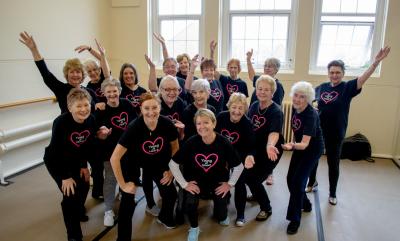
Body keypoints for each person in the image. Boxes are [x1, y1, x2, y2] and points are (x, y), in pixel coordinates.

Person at [306, 46, 391, 205]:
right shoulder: (321, 88)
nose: (334, 75)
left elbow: (363, 78)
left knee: (333, 162)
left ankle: (332, 193)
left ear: (343, 73)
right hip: (318, 131)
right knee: (313, 159)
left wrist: (375, 63)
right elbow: (311, 102)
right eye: (332, 72)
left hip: (336, 132)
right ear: (328, 73)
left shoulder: (347, 87)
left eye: (338, 72)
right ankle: (312, 182)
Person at [110, 92, 179, 241]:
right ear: (141, 109)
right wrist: (123, 185)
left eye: (154, 107)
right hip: (132, 162)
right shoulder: (133, 127)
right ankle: (123, 238)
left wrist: (171, 170)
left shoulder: (167, 124)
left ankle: (164, 217)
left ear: (160, 108)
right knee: (128, 201)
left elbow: (175, 148)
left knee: (171, 194)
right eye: (146, 108)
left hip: (158, 161)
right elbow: (114, 158)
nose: (151, 112)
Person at [169, 108, 244, 241]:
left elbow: (239, 166)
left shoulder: (223, 142)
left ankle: (221, 212)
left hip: (217, 181)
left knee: (221, 217)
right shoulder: (191, 142)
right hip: (196, 181)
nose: (202, 126)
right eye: (198, 123)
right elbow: (173, 164)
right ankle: (194, 228)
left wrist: (230, 184)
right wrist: (184, 184)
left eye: (206, 122)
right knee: (190, 204)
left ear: (214, 123)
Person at [43, 88, 102, 241]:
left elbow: (87, 145)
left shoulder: (91, 120)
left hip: (77, 161)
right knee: (70, 196)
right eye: (79, 106)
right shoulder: (61, 122)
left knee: (83, 188)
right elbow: (55, 153)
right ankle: (73, 234)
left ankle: (79, 211)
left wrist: (84, 166)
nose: (84, 109)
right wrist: (65, 177)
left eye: (86, 105)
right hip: (57, 163)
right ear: (70, 108)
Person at [19, 31, 98, 114]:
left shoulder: (90, 92)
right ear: (67, 74)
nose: (75, 75)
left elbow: (97, 113)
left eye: (78, 72)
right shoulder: (60, 89)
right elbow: (45, 73)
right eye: (71, 72)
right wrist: (34, 50)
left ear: (82, 75)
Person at [282, 81, 324, 235]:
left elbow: (305, 144)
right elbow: (297, 131)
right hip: (299, 147)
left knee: (298, 182)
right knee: (289, 179)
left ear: (308, 99)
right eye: (296, 95)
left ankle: (294, 220)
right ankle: (305, 203)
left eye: (302, 97)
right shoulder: (296, 109)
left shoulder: (311, 115)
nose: (297, 99)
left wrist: (291, 146)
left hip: (312, 149)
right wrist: (293, 144)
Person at [215, 93, 260, 226]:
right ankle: (223, 201)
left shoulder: (247, 123)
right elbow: (214, 137)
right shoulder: (221, 117)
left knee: (240, 182)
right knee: (220, 179)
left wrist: (250, 156)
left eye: (240, 108)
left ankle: (240, 214)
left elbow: (252, 146)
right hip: (222, 155)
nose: (236, 111)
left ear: (244, 109)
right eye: (234, 107)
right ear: (229, 106)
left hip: (239, 156)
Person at [247, 75, 284, 218]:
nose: (262, 92)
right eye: (260, 88)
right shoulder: (254, 105)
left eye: (266, 90)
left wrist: (269, 145)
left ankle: (266, 208)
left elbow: (274, 133)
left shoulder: (276, 111)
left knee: (254, 179)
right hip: (256, 148)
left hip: (271, 150)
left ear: (272, 93)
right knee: (248, 174)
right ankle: (257, 195)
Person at [210, 41, 249, 110]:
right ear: (228, 68)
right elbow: (212, 69)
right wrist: (212, 53)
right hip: (224, 110)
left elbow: (244, 102)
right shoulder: (224, 79)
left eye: (235, 68)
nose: (233, 70)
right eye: (231, 67)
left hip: (236, 111)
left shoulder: (243, 84)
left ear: (239, 69)